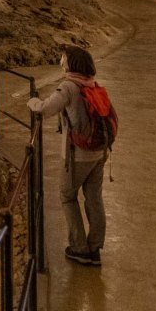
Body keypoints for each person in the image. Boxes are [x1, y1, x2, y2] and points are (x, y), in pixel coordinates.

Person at [27, 45, 107, 266]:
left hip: (78, 155)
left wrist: (32, 102)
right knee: (94, 198)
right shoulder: (92, 84)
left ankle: (79, 248)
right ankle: (95, 248)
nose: (61, 61)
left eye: (63, 58)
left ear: (72, 63)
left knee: (67, 196)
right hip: (99, 153)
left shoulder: (69, 87)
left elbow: (45, 108)